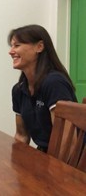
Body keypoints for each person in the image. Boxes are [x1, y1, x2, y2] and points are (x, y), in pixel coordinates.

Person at [8, 24, 77, 153]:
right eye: (11, 46)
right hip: (44, 155)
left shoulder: (54, 83)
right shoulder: (18, 90)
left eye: (17, 45)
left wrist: (53, 172)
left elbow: (67, 143)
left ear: (39, 47)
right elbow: (21, 136)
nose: (11, 51)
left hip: (70, 163)